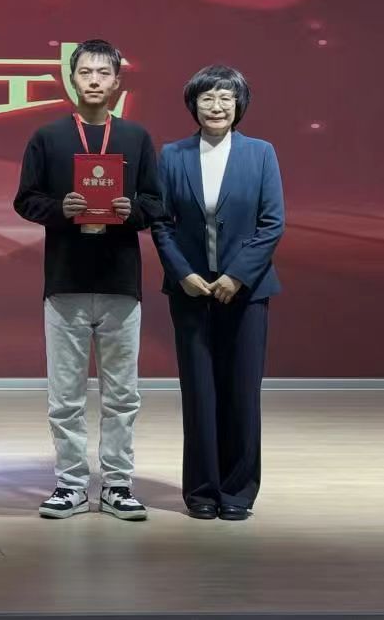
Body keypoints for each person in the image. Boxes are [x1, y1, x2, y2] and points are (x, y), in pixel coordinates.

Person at [14, 38, 162, 522]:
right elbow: (25, 199)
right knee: (65, 396)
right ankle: (71, 484)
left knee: (123, 395)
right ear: (72, 79)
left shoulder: (136, 137)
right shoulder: (48, 137)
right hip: (65, 283)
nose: (94, 80)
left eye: (103, 73)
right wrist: (61, 209)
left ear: (117, 82)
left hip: (121, 283)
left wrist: (130, 210)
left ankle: (118, 484)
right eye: (85, 72)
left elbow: (157, 204)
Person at [152, 65, 284, 521]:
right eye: (207, 98)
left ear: (239, 104)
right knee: (199, 393)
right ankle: (202, 492)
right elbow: (161, 223)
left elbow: (272, 223)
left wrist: (237, 276)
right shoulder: (172, 155)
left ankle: (238, 491)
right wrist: (184, 274)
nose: (217, 106)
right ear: (193, 105)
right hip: (191, 290)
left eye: (226, 97)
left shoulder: (261, 153)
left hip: (246, 292)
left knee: (242, 392)